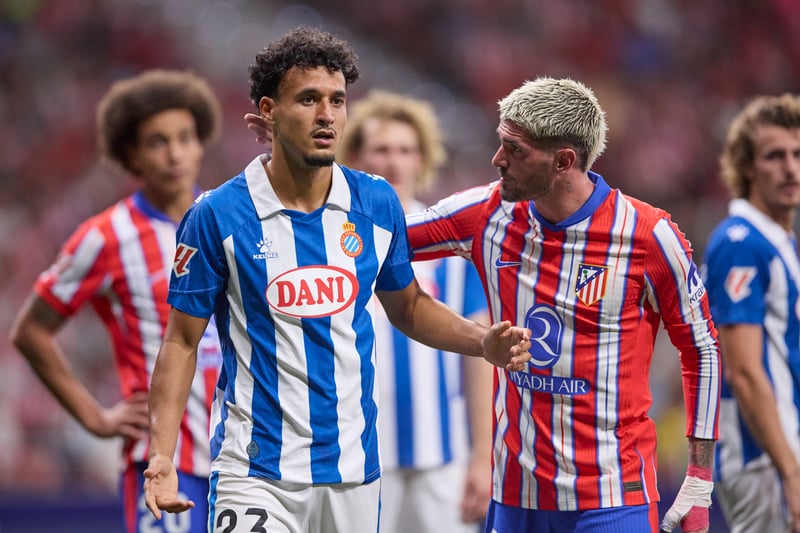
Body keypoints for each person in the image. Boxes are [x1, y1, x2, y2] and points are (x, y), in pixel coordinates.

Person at [142, 26, 531, 533]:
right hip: (256, 471)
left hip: (354, 471)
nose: (327, 114)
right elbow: (181, 341)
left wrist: (482, 342)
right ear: (269, 110)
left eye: (337, 100)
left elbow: (409, 306)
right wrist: (162, 454)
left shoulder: (375, 203)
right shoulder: (218, 215)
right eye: (308, 99)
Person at [402, 77, 722, 533]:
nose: (498, 160)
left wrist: (699, 477)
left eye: (515, 150)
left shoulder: (648, 235)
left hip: (613, 498)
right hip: (516, 496)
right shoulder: (485, 214)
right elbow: (386, 237)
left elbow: (701, 348)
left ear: (563, 161)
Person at [9, 69, 223, 533]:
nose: (175, 154)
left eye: (185, 137)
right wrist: (96, 418)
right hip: (162, 462)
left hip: (241, 460)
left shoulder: (229, 220)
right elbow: (31, 331)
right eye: (157, 142)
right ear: (131, 154)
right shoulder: (107, 236)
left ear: (201, 142)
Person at [338, 89, 493, 532]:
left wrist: (482, 456)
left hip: (442, 456)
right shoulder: (333, 238)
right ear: (355, 156)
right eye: (382, 149)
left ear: (422, 159)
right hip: (357, 456)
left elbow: (480, 356)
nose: (394, 162)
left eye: (406, 150)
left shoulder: (450, 246)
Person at [701, 93, 800, 533]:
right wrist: (791, 471)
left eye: (797, 154)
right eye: (775, 156)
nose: (790, 168)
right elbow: (743, 371)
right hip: (763, 458)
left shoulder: (777, 242)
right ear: (746, 167)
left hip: (781, 450)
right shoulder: (741, 243)